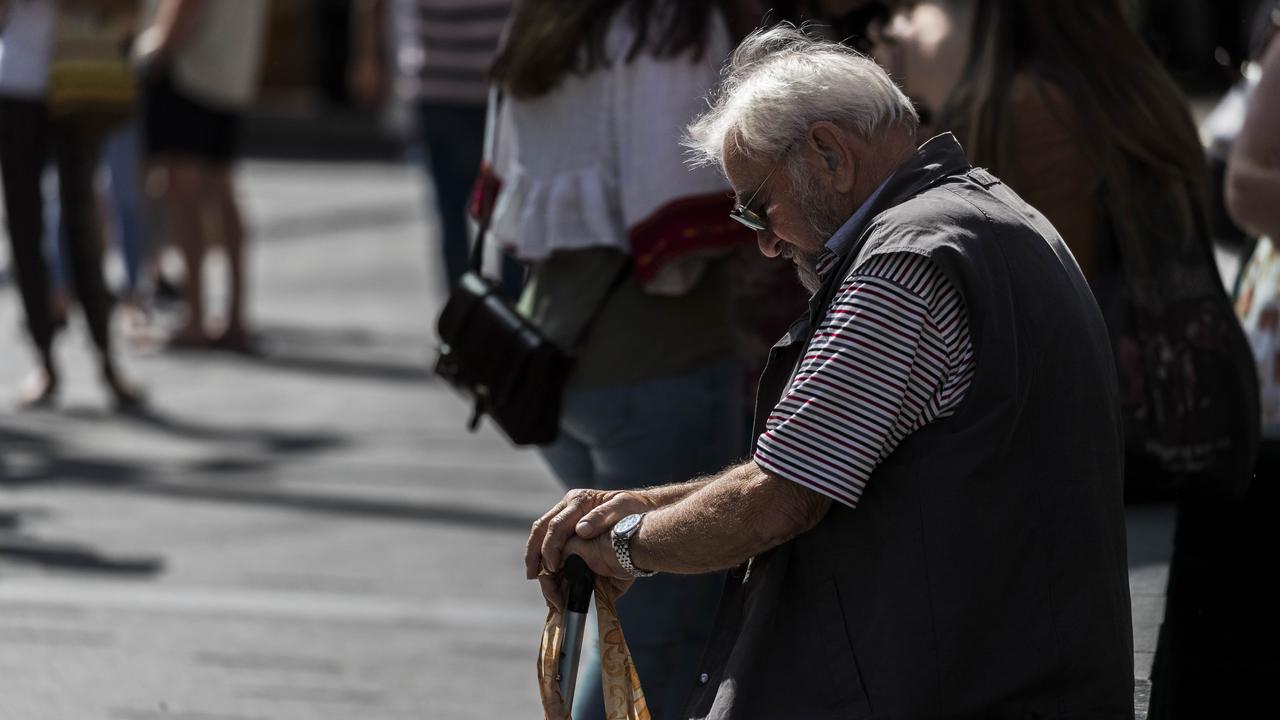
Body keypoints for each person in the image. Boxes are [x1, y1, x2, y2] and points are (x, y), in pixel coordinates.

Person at [527, 25, 1137, 718]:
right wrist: (646, 507)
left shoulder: (908, 264)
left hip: (968, 687)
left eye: (756, 206)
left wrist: (626, 546)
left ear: (828, 153)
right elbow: (811, 459)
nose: (761, 241)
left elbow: (780, 497)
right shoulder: (980, 212)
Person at [489, 1, 756, 717]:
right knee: (654, 649)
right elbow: (673, 207)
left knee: (619, 629)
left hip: (549, 345)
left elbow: (504, 183)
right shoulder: (666, 22)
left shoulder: (543, 17)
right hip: (656, 353)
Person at [0, 0, 142, 409]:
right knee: (23, 226)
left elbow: (126, 10)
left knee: (79, 217)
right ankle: (44, 359)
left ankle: (106, 359)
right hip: (16, 83)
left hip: (81, 74)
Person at [348, 0, 523, 297]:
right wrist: (370, 59)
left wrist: (370, 59)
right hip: (456, 87)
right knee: (492, 212)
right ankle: (482, 320)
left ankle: (477, 322)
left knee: (498, 212)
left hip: (486, 87)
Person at [133, 0, 269, 351]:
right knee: (220, 188)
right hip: (232, 71)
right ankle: (234, 317)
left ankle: (194, 318)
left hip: (191, 70)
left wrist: (157, 49)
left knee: (182, 190)